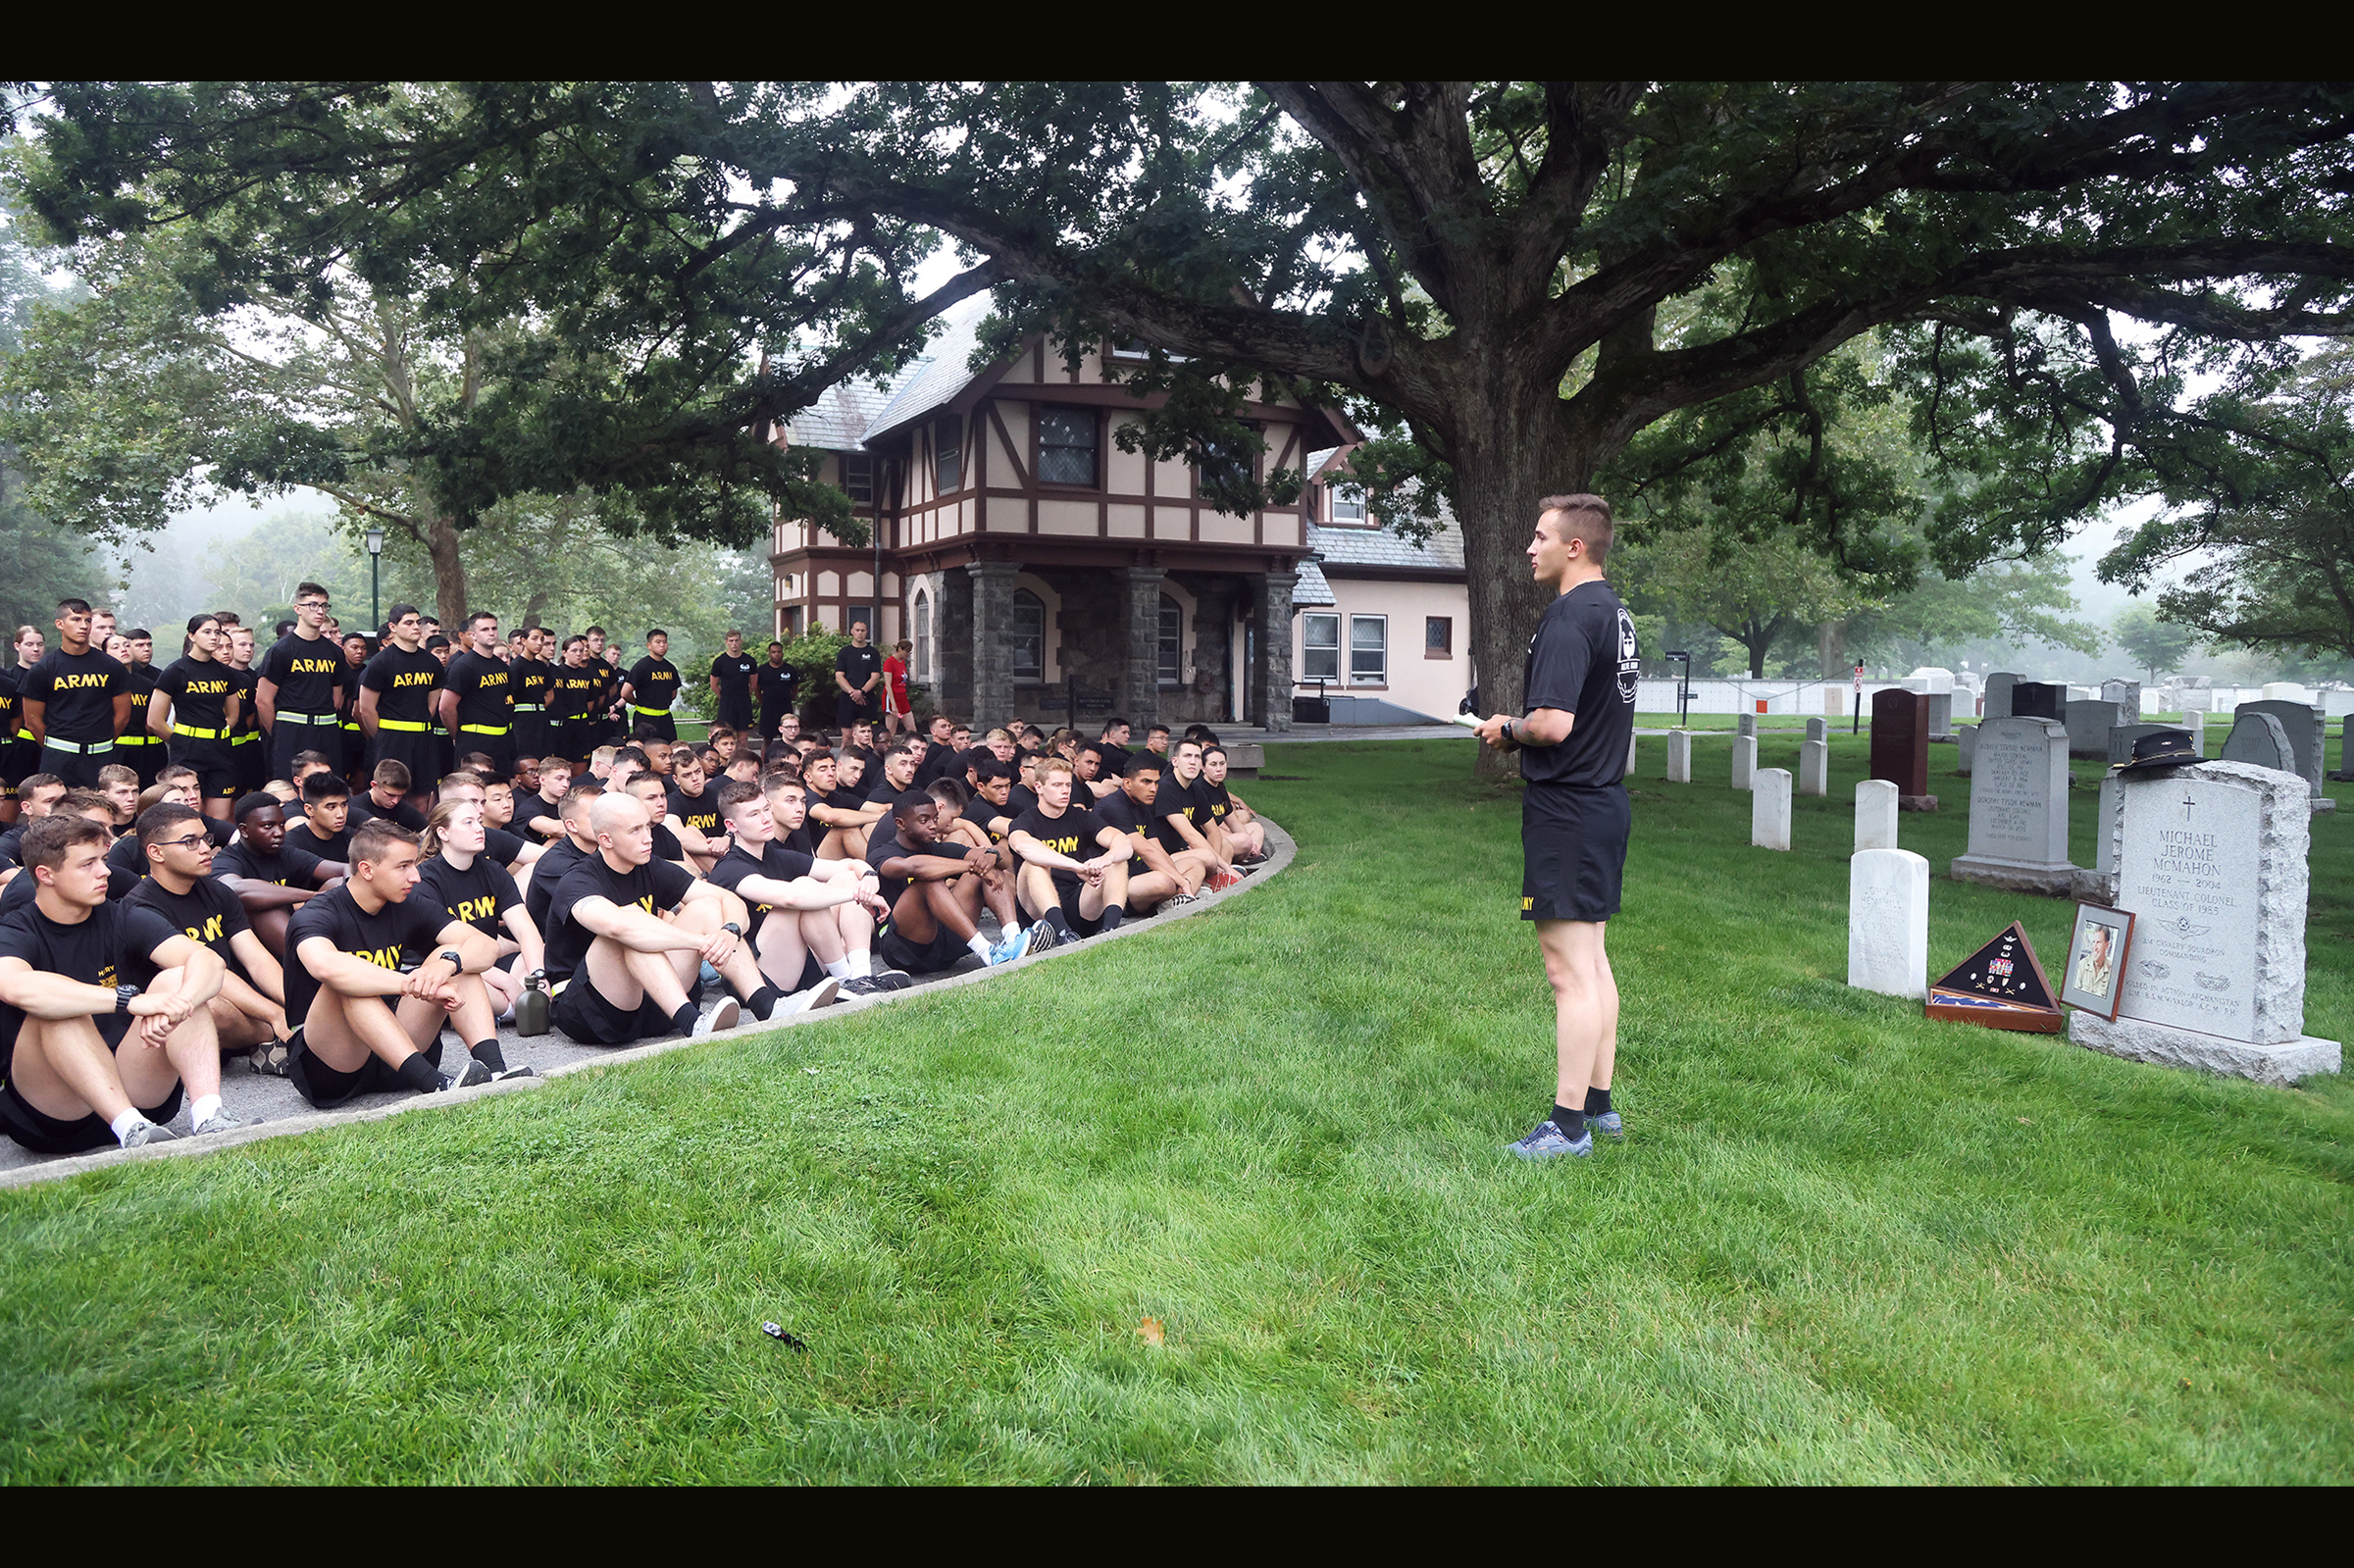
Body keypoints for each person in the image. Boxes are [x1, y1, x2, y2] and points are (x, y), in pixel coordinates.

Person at [1471, 493, 1640, 1161]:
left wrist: (1505, 729)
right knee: (1592, 961)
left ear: (1576, 546)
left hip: (1568, 808)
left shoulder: (1571, 617)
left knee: (1567, 971)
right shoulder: (1617, 613)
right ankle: (1600, 1107)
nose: (1529, 548)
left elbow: (1552, 724)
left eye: (1539, 537)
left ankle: (1566, 1127)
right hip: (1602, 803)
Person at [0, 812, 234, 1150]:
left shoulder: (121, 915)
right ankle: (130, 1128)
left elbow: (207, 960)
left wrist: (181, 1002)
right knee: (56, 1007)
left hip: (134, 1086)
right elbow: (15, 987)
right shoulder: (15, 930)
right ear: (45, 875)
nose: (105, 871)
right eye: (88, 864)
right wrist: (128, 1000)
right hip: (58, 1110)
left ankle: (210, 1116)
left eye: (104, 860)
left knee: (176, 980)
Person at [542, 793, 818, 1045]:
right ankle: (693, 1023)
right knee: (630, 922)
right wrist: (701, 942)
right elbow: (617, 926)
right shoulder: (577, 879)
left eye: (647, 827)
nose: (648, 837)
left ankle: (767, 1006)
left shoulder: (651, 866)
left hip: (651, 1001)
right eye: (635, 831)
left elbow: (728, 899)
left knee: (709, 906)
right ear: (606, 840)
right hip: (591, 1011)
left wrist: (729, 932)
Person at [281, 818, 508, 1106]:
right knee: (348, 982)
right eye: (403, 866)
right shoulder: (318, 913)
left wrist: (447, 965)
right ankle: (437, 1087)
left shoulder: (408, 904)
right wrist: (410, 983)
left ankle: (498, 1072)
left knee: (456, 955)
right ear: (366, 870)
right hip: (332, 1064)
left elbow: (486, 946)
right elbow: (323, 966)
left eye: (414, 864)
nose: (416, 877)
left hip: (394, 1051)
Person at [124, 801, 294, 1070]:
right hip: (177, 1019)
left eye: (205, 838)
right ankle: (267, 1037)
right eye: (190, 842)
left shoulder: (218, 892)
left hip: (240, 1004)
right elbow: (206, 970)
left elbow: (256, 959)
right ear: (156, 852)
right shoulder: (140, 910)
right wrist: (275, 1016)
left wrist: (295, 1005)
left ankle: (280, 1033)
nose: (205, 848)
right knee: (205, 1001)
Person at [704, 779, 900, 999]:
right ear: (731, 826)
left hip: (797, 960)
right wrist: (858, 896)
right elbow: (790, 897)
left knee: (845, 878)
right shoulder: (729, 867)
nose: (766, 818)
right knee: (804, 889)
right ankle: (846, 980)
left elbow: (847, 866)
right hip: (757, 978)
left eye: (766, 809)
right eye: (754, 814)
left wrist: (869, 877)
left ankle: (861, 977)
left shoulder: (776, 855)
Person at [417, 798, 549, 1038]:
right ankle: (514, 1009)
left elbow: (524, 929)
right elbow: (444, 951)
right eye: (468, 823)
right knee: (462, 979)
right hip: (451, 967)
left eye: (479, 821)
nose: (479, 828)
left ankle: (513, 1008)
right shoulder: (426, 879)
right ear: (443, 832)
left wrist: (538, 976)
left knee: (531, 960)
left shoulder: (493, 870)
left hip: (491, 962)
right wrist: (509, 984)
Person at [866, 790, 1025, 975]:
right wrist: (972, 866)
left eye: (935, 819)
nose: (933, 826)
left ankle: (1013, 940)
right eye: (923, 820)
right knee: (929, 881)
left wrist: (992, 856)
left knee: (989, 865)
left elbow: (1005, 858)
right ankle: (987, 952)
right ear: (900, 824)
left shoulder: (939, 848)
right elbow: (916, 867)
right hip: (904, 950)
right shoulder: (881, 854)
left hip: (945, 942)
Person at [1006, 755, 1130, 951]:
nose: (1065, 791)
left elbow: (1123, 842)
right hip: (1038, 910)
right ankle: (1062, 933)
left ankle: (1111, 930)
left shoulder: (1081, 817)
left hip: (1078, 901)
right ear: (1039, 787)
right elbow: (1023, 846)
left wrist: (1108, 857)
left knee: (1118, 861)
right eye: (1056, 785)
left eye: (1068, 785)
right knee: (1034, 864)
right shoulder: (1024, 821)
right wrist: (1075, 866)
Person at [215, 791, 350, 958]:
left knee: (337, 883)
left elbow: (345, 869)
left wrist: (348, 883)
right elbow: (235, 889)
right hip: (247, 946)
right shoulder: (227, 859)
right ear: (244, 830)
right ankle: (307, 961)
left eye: (281, 824)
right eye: (268, 826)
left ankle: (344, 949)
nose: (279, 832)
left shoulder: (285, 852)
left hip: (290, 929)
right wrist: (313, 895)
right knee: (268, 909)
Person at [18, 598, 131, 789]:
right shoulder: (42, 669)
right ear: (60, 624)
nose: (83, 626)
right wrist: (56, 749)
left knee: (101, 813)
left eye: (87, 621)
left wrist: (101, 742)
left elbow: (123, 716)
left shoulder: (112, 667)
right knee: (59, 814)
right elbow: (32, 721)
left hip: (102, 756)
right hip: (59, 757)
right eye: (76, 620)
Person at [148, 613, 244, 820]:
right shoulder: (176, 671)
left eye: (217, 633)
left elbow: (233, 714)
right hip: (187, 752)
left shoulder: (226, 673)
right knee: (185, 814)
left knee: (219, 818)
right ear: (191, 636)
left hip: (220, 750)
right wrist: (179, 740)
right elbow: (154, 720)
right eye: (207, 632)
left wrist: (220, 733)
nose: (214, 637)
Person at [255, 582, 346, 784]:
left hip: (326, 730)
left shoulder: (335, 653)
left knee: (330, 788)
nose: (319, 611)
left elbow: (337, 697)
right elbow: (263, 700)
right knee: (290, 790)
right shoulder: (281, 650)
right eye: (312, 605)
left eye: (324, 606)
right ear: (298, 609)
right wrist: (279, 734)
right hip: (291, 730)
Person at [357, 605, 444, 810]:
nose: (416, 627)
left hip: (424, 739)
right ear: (393, 627)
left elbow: (432, 702)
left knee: (423, 797)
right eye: (408, 622)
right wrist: (383, 736)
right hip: (392, 740)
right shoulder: (381, 662)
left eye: (418, 622)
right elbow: (366, 709)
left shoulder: (431, 663)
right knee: (392, 796)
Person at [1097, 754, 1207, 915]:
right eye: (1146, 782)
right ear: (1127, 783)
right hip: (1117, 884)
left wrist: (1177, 876)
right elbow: (1145, 851)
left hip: (1141, 872)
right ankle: (1178, 899)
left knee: (1195, 864)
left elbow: (1156, 848)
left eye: (1156, 782)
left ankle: (1173, 902)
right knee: (1165, 882)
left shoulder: (1143, 805)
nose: (1153, 788)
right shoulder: (1113, 806)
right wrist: (1182, 882)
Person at [1151, 739, 1240, 892]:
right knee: (1207, 857)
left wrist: (1219, 864)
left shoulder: (1195, 790)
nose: (1193, 762)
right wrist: (1226, 867)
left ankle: (1210, 882)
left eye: (1197, 757)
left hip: (1183, 851)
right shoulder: (1166, 788)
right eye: (1187, 756)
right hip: (1162, 857)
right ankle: (1192, 890)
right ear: (1175, 761)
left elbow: (1213, 831)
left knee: (1225, 845)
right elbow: (1190, 835)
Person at [437, 611, 516, 780]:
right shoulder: (463, 666)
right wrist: (459, 736)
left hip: (502, 741)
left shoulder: (502, 667)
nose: (491, 633)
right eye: (485, 629)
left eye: (494, 628)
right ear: (472, 634)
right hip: (474, 741)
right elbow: (445, 708)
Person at [115, 627, 166, 786]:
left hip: (151, 749)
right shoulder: (108, 680)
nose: (147, 649)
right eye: (139, 645)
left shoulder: (156, 678)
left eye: (149, 645)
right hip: (120, 750)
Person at [1199, 744, 1267, 862]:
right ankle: (1243, 857)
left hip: (1225, 837)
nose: (1219, 769)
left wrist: (1252, 842)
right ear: (1203, 767)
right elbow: (1208, 829)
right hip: (1208, 840)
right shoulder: (1199, 789)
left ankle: (1251, 854)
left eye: (1222, 764)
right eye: (1213, 765)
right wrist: (1245, 840)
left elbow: (1233, 821)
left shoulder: (1220, 787)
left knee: (1256, 828)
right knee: (1243, 840)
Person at [623, 628, 683, 742]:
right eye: (658, 642)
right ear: (649, 645)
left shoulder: (670, 668)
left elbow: (673, 693)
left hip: (665, 718)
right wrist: (636, 702)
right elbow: (625, 692)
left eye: (665, 642)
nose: (662, 645)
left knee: (668, 749)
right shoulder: (641, 666)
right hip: (645, 718)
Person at [282, 770, 352, 861]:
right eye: (331, 807)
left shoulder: (352, 839)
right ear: (309, 810)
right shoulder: (292, 844)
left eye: (343, 805)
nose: (340, 814)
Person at [509, 626, 552, 765]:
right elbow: (510, 696)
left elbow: (550, 694)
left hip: (541, 718)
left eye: (542, 639)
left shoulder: (542, 667)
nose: (539, 643)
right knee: (525, 758)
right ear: (523, 641)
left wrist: (538, 708)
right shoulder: (516, 666)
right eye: (534, 639)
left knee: (543, 756)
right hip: (522, 720)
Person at [833, 620, 883, 731]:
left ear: (866, 632)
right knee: (847, 736)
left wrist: (862, 692)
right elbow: (839, 676)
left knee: (868, 734)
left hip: (867, 699)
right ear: (852, 632)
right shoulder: (844, 652)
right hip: (847, 699)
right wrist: (853, 693)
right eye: (857, 630)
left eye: (862, 630)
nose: (860, 633)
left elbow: (875, 677)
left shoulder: (873, 653)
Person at [709, 628, 759, 735]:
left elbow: (754, 683)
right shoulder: (720, 662)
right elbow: (714, 685)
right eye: (731, 641)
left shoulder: (749, 661)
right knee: (727, 735)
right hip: (727, 704)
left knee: (743, 739)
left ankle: (742, 753)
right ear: (726, 642)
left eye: (736, 640)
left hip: (744, 703)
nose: (734, 643)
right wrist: (724, 697)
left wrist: (745, 695)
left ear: (741, 641)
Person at [757, 640, 798, 739]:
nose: (776, 654)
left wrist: (789, 699)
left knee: (788, 738)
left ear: (782, 653)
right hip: (768, 709)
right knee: (767, 739)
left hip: (785, 708)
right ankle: (765, 756)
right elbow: (757, 690)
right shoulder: (762, 670)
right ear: (769, 654)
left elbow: (795, 688)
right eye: (773, 652)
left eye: (779, 652)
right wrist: (764, 701)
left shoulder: (790, 670)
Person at [880, 638, 913, 736]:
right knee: (891, 729)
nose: (908, 655)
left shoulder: (902, 662)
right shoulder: (890, 662)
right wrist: (893, 705)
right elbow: (888, 685)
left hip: (902, 696)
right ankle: (888, 748)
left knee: (911, 729)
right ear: (899, 649)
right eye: (906, 652)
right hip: (892, 697)